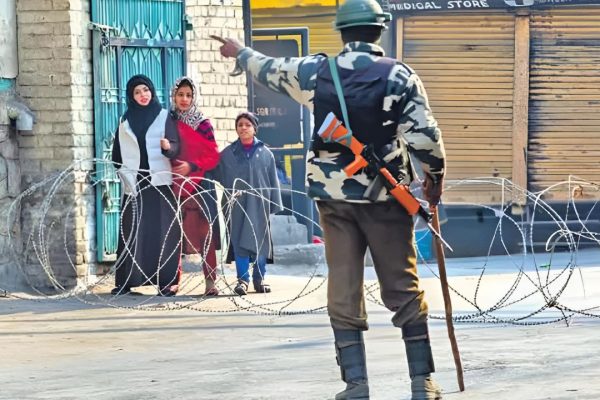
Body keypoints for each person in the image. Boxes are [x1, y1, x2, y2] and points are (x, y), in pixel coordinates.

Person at [212, 0, 446, 398]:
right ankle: (422, 382)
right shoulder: (399, 75)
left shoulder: (316, 71)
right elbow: (425, 137)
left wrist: (240, 52)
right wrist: (434, 179)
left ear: (342, 32)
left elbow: (271, 69)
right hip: (386, 197)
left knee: (343, 286)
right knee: (402, 285)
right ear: (380, 30)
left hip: (334, 199)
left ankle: (356, 385)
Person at [111, 74, 182, 297]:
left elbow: (176, 147)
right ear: (131, 96)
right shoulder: (125, 121)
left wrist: (168, 148)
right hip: (135, 185)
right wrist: (123, 173)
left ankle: (166, 283)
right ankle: (126, 281)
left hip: (160, 184)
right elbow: (116, 154)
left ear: (152, 91)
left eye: (146, 90)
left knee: (164, 233)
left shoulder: (165, 116)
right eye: (137, 92)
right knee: (132, 233)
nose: (143, 95)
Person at [216, 112, 282, 296]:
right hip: (237, 205)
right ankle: (242, 280)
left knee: (260, 242)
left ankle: (259, 279)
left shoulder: (266, 154)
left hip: (259, 205)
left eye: (247, 125)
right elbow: (215, 172)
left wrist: (274, 204)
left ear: (255, 128)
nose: (243, 128)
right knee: (239, 241)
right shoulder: (227, 154)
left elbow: (273, 180)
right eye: (240, 125)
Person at [168, 76, 221, 296]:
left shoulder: (202, 124)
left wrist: (192, 166)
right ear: (173, 96)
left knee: (205, 232)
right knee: (174, 233)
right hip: (174, 183)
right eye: (180, 94)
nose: (184, 99)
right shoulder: (168, 122)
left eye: (189, 95)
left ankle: (210, 281)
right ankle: (172, 281)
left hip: (200, 183)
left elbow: (213, 155)